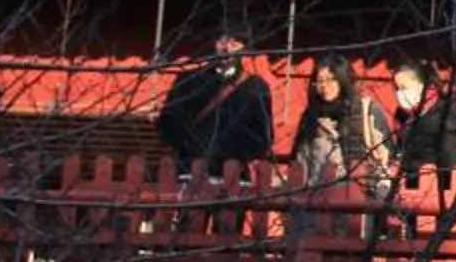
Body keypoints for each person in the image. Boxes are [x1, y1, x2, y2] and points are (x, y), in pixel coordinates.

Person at [157, 34, 274, 172]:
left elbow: (263, 136)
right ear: (214, 44)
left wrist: (234, 152)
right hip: (190, 167)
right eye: (222, 41)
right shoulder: (189, 81)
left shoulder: (255, 87)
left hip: (233, 172)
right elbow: (168, 124)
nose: (226, 48)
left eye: (234, 43)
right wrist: (191, 147)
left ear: (243, 47)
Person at [290, 53, 393, 192]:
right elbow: (298, 156)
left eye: (330, 80)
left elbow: (389, 154)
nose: (324, 86)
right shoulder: (311, 115)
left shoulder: (367, 110)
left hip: (360, 191)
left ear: (343, 79)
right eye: (319, 81)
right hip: (316, 192)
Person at [388, 61, 456, 191]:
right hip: (409, 191)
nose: (400, 93)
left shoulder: (443, 120)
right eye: (397, 88)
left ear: (427, 86)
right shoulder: (404, 117)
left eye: (404, 87)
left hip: (435, 191)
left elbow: (452, 166)